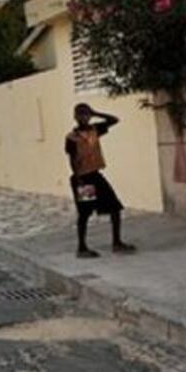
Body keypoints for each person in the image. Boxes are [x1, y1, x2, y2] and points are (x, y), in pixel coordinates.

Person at [66, 103, 135, 258]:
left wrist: (96, 112)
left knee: (115, 208)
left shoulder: (94, 130)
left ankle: (117, 243)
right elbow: (71, 159)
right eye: (81, 114)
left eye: (86, 114)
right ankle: (81, 248)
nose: (84, 117)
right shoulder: (72, 137)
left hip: (96, 176)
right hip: (83, 178)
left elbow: (114, 120)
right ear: (75, 117)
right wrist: (78, 178)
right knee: (85, 213)